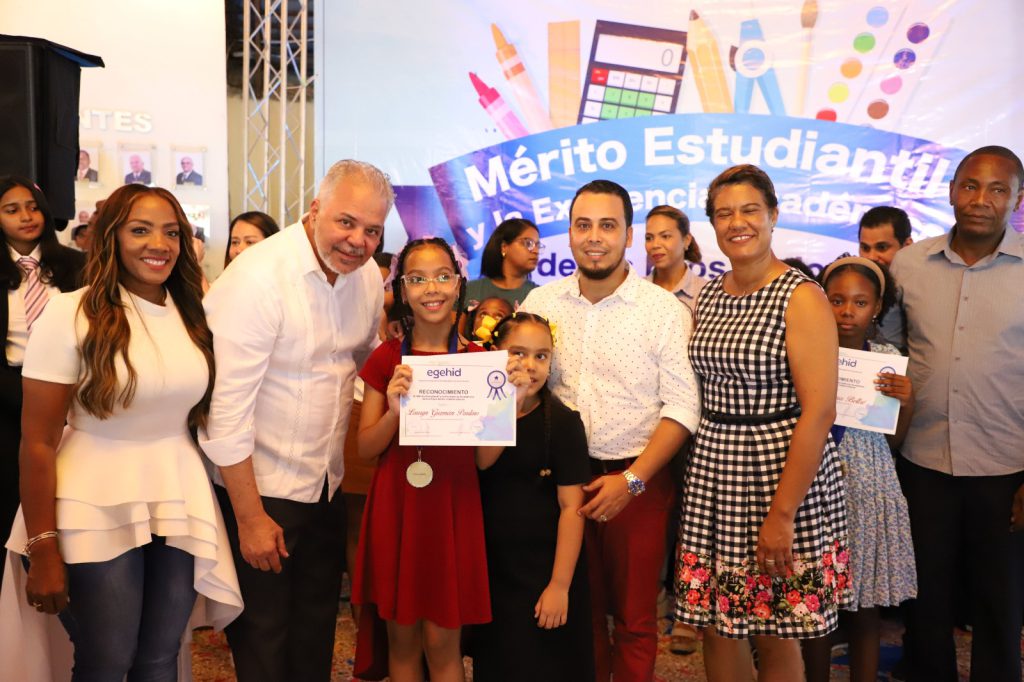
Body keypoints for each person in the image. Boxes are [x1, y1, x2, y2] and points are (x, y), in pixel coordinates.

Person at [5, 183, 242, 679]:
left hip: (177, 492)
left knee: (159, 658)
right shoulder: (69, 312)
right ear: (111, 235)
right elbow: (39, 442)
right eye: (141, 230)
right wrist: (42, 546)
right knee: (107, 660)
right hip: (92, 496)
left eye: (171, 232)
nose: (159, 243)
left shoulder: (193, 313)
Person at [200, 159, 392, 682]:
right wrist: (251, 517)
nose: (357, 240)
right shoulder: (259, 278)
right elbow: (227, 415)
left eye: (372, 230)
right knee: (264, 640)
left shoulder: (367, 275)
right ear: (314, 210)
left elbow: (369, 360)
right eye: (346, 222)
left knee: (314, 633)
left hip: (324, 485)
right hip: (262, 490)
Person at [520, 179, 700, 681]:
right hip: (557, 483)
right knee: (579, 613)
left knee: (636, 620)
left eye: (607, 225)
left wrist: (634, 481)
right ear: (570, 232)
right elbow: (520, 388)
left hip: (637, 481)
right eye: (583, 225)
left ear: (629, 234)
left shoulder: (663, 311)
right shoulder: (542, 302)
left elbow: (684, 406)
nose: (594, 237)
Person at [675, 164, 849, 682]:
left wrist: (782, 514)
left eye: (750, 210)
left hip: (778, 470)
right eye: (724, 213)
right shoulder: (709, 292)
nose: (737, 222)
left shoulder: (802, 296)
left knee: (775, 626)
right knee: (717, 623)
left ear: (773, 215)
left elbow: (819, 411)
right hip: (714, 471)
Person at [889, 145, 1024, 682]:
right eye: (970, 186)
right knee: (926, 601)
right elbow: (890, 353)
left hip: (1005, 468)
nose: (981, 200)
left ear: (1017, 200)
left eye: (997, 190)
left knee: (999, 604)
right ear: (951, 191)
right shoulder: (909, 264)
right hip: (922, 463)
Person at [354, 237, 491, 681]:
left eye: (441, 276)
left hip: (453, 508)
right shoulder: (386, 358)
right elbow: (366, 448)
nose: (431, 288)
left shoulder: (479, 362)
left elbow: (486, 461)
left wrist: (509, 400)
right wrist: (395, 412)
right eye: (417, 279)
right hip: (400, 506)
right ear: (402, 289)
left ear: (457, 283)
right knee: (403, 639)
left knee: (443, 642)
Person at [802, 256, 917, 682]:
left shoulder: (886, 358)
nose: (847, 311)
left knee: (865, 608)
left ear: (877, 307)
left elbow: (895, 440)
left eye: (860, 302)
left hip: (869, 491)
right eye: (836, 300)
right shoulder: (803, 352)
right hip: (814, 489)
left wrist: (906, 402)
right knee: (816, 605)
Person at [472, 312, 594, 681]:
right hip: (496, 569)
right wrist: (510, 402)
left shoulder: (563, 421)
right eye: (517, 353)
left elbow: (573, 508)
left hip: (545, 568)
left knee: (545, 663)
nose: (530, 365)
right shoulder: (486, 413)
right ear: (494, 353)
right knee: (500, 661)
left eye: (541, 356)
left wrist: (559, 585)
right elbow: (482, 461)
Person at [0, 176, 85, 582]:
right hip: (7, 396)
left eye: (32, 206)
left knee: (61, 491)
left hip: (68, 394)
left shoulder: (75, 265)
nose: (26, 216)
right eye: (11, 209)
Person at [341, 250, 394, 624]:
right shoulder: (339, 303)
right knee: (358, 532)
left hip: (410, 422)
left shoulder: (398, 320)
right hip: (359, 410)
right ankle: (365, 625)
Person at [858, 206, 913, 349]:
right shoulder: (849, 282)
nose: (871, 257)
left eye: (881, 248)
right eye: (865, 248)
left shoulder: (922, 289)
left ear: (907, 246)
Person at [465, 217, 540, 311]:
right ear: (504, 247)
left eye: (538, 245)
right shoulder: (468, 290)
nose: (536, 251)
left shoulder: (540, 296)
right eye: (528, 243)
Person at [644, 204, 706, 313]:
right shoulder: (634, 291)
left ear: (686, 240)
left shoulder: (706, 293)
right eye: (649, 238)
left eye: (665, 236)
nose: (655, 245)